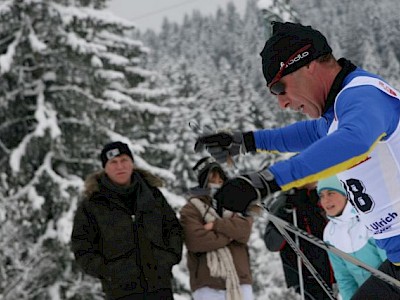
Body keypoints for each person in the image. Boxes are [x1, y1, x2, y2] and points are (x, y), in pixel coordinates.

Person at [195, 21, 400, 297]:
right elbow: (309, 132)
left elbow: (354, 140)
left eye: (280, 87)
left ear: (308, 65)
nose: (282, 103)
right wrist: (246, 141)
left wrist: (267, 180)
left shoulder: (364, 94)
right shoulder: (338, 110)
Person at [71, 141, 183, 300]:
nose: (120, 166)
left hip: (159, 285)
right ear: (105, 167)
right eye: (113, 162)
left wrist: (168, 258)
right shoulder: (93, 204)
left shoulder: (152, 195)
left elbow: (173, 228)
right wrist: (108, 271)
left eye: (124, 160)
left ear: (132, 163)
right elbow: (81, 246)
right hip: (120, 291)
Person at [180, 156, 255, 300]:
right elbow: (196, 240)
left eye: (220, 180)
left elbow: (244, 231)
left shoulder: (237, 206)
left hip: (240, 282)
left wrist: (216, 225)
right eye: (212, 180)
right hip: (208, 284)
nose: (217, 184)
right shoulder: (191, 209)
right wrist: (231, 234)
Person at [317, 175, 387, 300]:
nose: (325, 200)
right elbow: (344, 277)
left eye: (331, 193)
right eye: (321, 196)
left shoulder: (368, 218)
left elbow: (389, 264)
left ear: (345, 194)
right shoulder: (329, 233)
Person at [264, 187, 334, 300]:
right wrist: (284, 216)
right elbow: (272, 244)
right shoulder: (282, 201)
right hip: (302, 272)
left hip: (331, 268)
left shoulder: (321, 195)